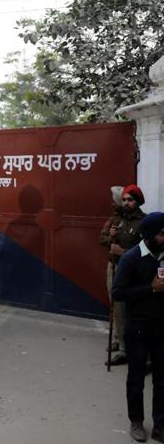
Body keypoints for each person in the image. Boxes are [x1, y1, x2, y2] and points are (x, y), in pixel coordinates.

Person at [112, 212, 164, 443]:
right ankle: (136, 421)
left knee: (162, 380)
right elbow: (118, 293)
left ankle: (160, 424)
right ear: (151, 235)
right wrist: (150, 289)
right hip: (138, 329)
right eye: (163, 233)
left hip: (162, 328)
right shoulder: (131, 258)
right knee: (136, 378)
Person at [101, 184, 147, 366]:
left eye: (131, 200)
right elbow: (103, 239)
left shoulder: (144, 222)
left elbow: (146, 250)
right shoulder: (118, 220)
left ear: (138, 202)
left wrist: (123, 251)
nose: (126, 203)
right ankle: (123, 348)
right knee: (117, 308)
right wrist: (110, 239)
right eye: (125, 199)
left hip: (133, 272)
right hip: (115, 267)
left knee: (133, 310)